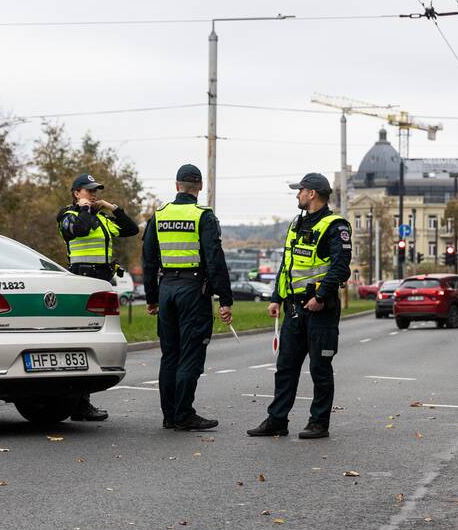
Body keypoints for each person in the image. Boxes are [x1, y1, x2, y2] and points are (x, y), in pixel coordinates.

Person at [247, 172, 351, 440]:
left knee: (320, 368)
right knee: (285, 368)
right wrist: (275, 298)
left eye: (300, 190)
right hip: (293, 309)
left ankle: (319, 423)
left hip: (320, 310)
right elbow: (287, 266)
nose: (297, 195)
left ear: (312, 193)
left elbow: (340, 267)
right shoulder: (297, 223)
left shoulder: (335, 226)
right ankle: (277, 419)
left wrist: (321, 297)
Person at [142, 164, 233, 431]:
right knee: (190, 354)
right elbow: (215, 259)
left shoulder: (159, 215)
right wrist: (224, 299)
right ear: (200, 187)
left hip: (167, 287)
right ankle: (184, 414)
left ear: (176, 185)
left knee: (169, 354)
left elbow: (148, 259)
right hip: (193, 290)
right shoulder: (202, 216)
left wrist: (151, 297)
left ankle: (169, 414)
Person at [57, 172, 140, 421]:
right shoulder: (68, 216)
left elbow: (131, 229)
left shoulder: (102, 218)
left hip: (102, 283)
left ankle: (83, 402)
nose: (94, 195)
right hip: (81, 281)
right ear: (76, 193)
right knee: (80, 343)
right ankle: (79, 404)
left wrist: (111, 207)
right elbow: (79, 231)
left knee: (94, 344)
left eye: (96, 191)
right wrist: (84, 210)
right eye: (89, 191)